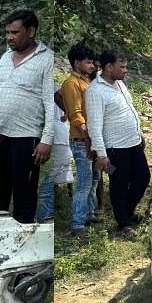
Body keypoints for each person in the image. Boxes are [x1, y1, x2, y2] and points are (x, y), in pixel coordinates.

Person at [0, 9, 55, 223]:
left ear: (31, 31)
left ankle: (22, 245)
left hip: (25, 138)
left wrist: (47, 139)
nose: (9, 37)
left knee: (24, 195)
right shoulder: (5, 57)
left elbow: (50, 101)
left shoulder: (46, 58)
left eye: (14, 32)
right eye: (7, 33)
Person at [86, 50, 150, 240]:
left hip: (133, 143)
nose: (125, 70)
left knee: (143, 177)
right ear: (108, 67)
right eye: (122, 66)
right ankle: (123, 224)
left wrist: (139, 133)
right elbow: (94, 125)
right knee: (119, 184)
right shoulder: (95, 91)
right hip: (114, 148)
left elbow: (129, 110)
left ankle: (127, 213)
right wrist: (101, 154)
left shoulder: (120, 84)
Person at [56, 44, 97, 236]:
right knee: (84, 182)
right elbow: (77, 115)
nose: (92, 65)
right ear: (77, 63)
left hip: (92, 138)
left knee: (94, 179)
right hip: (82, 140)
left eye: (92, 62)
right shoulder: (71, 84)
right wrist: (87, 137)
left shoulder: (87, 82)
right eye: (88, 62)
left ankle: (89, 214)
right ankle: (77, 224)